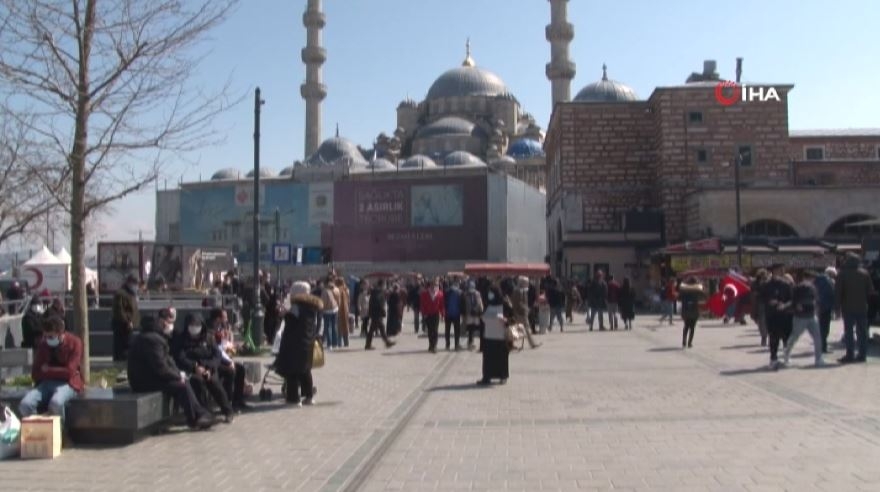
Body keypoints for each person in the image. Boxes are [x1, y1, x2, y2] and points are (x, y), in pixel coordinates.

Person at [128, 312, 215, 430]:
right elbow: (160, 367)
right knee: (182, 386)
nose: (167, 325)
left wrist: (179, 374)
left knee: (185, 381)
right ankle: (195, 419)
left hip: (150, 377)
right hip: (144, 381)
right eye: (164, 323)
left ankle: (199, 414)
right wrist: (177, 376)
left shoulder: (154, 337)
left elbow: (168, 361)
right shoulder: (151, 340)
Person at [19, 316, 83, 427]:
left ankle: (61, 432)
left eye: (51, 336)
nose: (47, 339)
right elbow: (35, 373)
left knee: (56, 403)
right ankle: (39, 429)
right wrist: (57, 371)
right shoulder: (44, 344)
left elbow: (70, 372)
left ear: (61, 334)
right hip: (46, 383)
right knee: (25, 405)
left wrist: (47, 369)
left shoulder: (75, 343)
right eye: (45, 336)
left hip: (68, 384)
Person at [172, 313, 234, 423]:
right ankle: (204, 413)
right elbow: (180, 357)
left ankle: (228, 411)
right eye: (191, 325)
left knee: (214, 383)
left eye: (197, 325)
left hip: (208, 367)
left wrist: (209, 367)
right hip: (191, 369)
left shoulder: (208, 337)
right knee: (198, 383)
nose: (194, 327)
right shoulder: (181, 339)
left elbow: (217, 355)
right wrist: (195, 367)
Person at [275, 282, 321, 406]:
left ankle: (293, 399)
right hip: (308, 342)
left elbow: (292, 322)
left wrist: (284, 314)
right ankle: (309, 397)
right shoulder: (312, 306)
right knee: (305, 370)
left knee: (292, 371)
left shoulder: (296, 306)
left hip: (295, 343)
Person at [835, 252, 876, 364]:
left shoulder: (842, 274)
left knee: (849, 332)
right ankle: (862, 355)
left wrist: (837, 308)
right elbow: (871, 291)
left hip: (847, 308)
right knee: (862, 332)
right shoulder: (865, 273)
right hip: (862, 307)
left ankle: (850, 354)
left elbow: (838, 292)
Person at [209, 308, 250, 412]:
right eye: (225, 317)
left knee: (240, 369)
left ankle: (238, 400)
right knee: (230, 371)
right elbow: (217, 349)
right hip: (214, 360)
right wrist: (229, 360)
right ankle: (228, 403)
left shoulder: (223, 328)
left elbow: (225, 346)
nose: (227, 319)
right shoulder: (210, 331)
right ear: (218, 319)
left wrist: (232, 344)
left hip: (223, 357)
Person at [782, 271, 825, 367]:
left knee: (817, 337)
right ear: (806, 278)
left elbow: (816, 300)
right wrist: (797, 305)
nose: (812, 280)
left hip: (811, 315)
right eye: (811, 278)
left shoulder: (813, 288)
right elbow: (793, 299)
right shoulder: (799, 287)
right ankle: (786, 354)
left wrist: (816, 310)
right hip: (800, 317)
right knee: (795, 336)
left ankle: (818, 359)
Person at [476, 281, 513, 385]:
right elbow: (482, 315)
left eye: (491, 292)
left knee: (501, 358)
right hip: (489, 335)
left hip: (501, 336)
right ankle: (486, 377)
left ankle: (503, 376)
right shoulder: (488, 303)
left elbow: (512, 318)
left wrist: (506, 320)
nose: (490, 295)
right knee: (488, 358)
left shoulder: (505, 304)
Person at [762, 264, 794, 370]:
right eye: (778, 270)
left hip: (785, 315)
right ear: (773, 271)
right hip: (772, 315)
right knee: (773, 338)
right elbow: (761, 298)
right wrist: (770, 302)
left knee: (786, 338)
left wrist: (784, 305)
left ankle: (786, 357)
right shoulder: (766, 285)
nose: (780, 272)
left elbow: (791, 300)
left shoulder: (786, 284)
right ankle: (773, 358)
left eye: (782, 270)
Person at [111, 274, 140, 362]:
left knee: (127, 344)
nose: (137, 286)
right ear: (129, 283)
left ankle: (124, 360)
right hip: (122, 325)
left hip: (128, 325)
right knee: (122, 346)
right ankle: (120, 362)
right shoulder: (121, 294)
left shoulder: (131, 294)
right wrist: (127, 321)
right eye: (135, 283)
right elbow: (120, 310)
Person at [366, 279, 395, 350]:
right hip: (377, 313)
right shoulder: (378, 292)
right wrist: (382, 311)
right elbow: (378, 304)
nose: (385, 287)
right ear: (382, 285)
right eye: (384, 285)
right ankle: (386, 342)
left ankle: (369, 344)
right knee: (380, 328)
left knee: (374, 329)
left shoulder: (376, 292)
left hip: (375, 313)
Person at [678, 277, 705, 348]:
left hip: (685, 310)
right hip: (694, 310)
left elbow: (679, 298)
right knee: (692, 327)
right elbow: (703, 296)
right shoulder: (697, 289)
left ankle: (684, 341)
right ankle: (689, 343)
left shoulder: (684, 289)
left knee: (686, 326)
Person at [814, 267, 836, 354]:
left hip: (819, 306)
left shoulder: (817, 280)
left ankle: (820, 346)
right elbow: (832, 294)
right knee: (825, 328)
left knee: (820, 327)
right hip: (826, 306)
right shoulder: (830, 282)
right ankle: (823, 347)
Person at [420, 279, 445, 353]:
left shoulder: (440, 294)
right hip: (428, 314)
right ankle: (431, 344)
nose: (434, 286)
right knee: (430, 330)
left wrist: (443, 314)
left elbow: (442, 305)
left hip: (436, 314)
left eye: (436, 285)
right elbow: (422, 304)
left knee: (435, 330)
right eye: (433, 285)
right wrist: (423, 313)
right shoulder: (424, 294)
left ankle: (434, 346)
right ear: (430, 285)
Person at [751, 269, 770, 346]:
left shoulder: (769, 281)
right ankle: (764, 337)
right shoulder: (755, 282)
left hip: (769, 304)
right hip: (760, 303)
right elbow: (753, 291)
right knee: (761, 321)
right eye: (761, 274)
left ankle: (770, 337)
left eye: (764, 274)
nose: (763, 276)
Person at [463, 281, 484, 351]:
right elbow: (464, 304)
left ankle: (471, 341)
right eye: (470, 287)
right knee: (470, 328)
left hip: (476, 313)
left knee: (474, 328)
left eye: (472, 287)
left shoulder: (477, 293)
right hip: (469, 313)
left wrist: (481, 311)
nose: (471, 288)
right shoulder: (466, 294)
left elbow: (480, 302)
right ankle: (470, 342)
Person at [320, 276, 340, 351]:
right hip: (335, 308)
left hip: (327, 310)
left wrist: (322, 309)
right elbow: (338, 299)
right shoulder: (336, 289)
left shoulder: (325, 290)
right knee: (334, 326)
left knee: (328, 327)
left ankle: (330, 344)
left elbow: (323, 302)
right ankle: (335, 343)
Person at [443, 280, 463, 350]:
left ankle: (447, 344)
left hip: (448, 314)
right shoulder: (460, 292)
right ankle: (456, 345)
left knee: (447, 330)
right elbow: (462, 303)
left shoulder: (446, 292)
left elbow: (444, 303)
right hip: (456, 314)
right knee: (457, 330)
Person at [334, 277, 352, 347]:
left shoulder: (336, 290)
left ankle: (339, 343)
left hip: (338, 310)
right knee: (345, 326)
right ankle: (346, 342)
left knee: (339, 327)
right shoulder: (346, 289)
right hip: (346, 309)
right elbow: (349, 300)